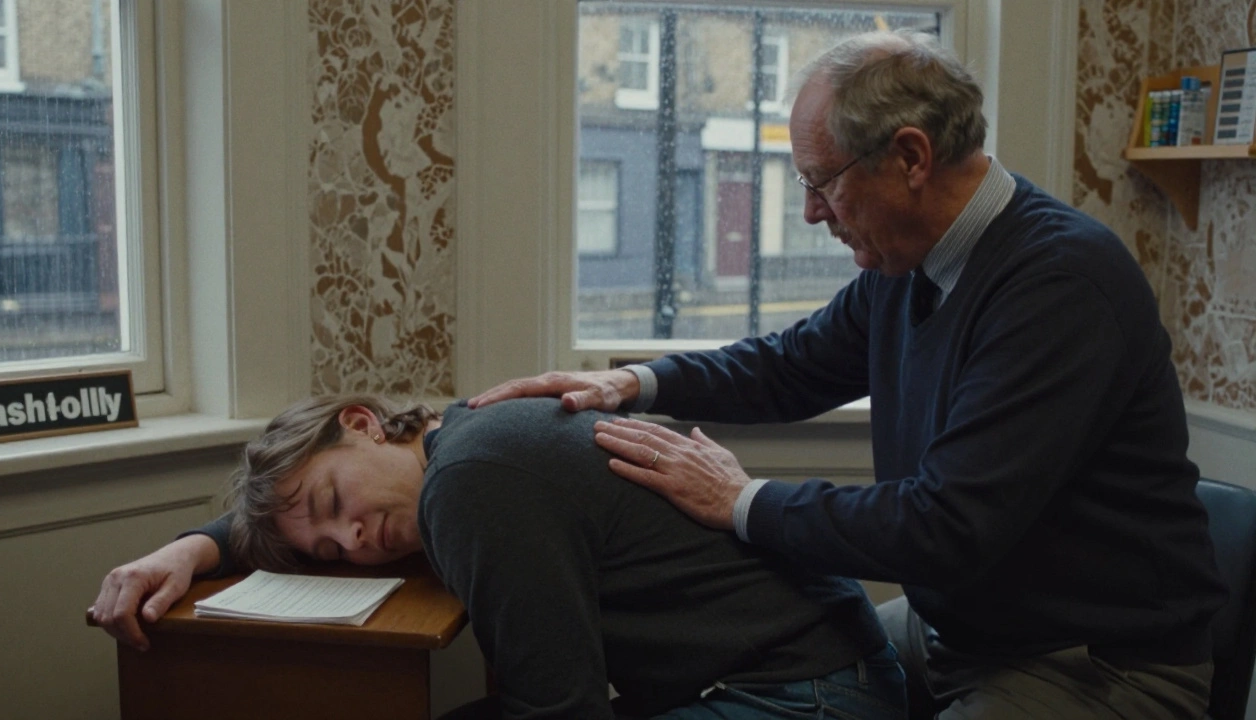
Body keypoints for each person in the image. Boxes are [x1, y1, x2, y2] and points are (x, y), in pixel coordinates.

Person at [466, 30, 1227, 720]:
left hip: (1096, 667)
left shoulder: (1061, 284)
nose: (809, 213)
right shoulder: (908, 261)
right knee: (801, 667)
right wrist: (635, 382)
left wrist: (740, 501)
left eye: (820, 182)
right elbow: (792, 365)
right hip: (964, 632)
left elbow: (944, 528)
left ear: (910, 157)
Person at [93, 394, 907, 720]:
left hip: (806, 695)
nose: (353, 542)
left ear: (365, 421)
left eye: (336, 505)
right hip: (824, 657)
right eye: (329, 551)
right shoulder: (465, 437)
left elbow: (560, 706)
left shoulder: (471, 489)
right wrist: (192, 547)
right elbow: (282, 520)